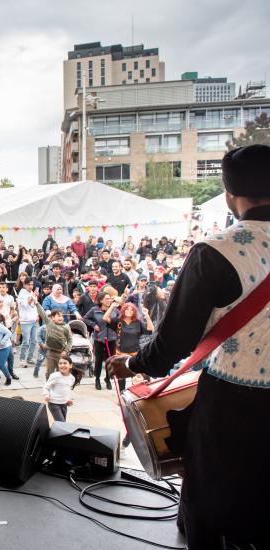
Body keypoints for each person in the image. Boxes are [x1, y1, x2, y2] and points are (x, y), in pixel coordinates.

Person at [107, 144, 270, 549]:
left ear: (230, 196)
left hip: (234, 404)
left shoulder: (216, 252)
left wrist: (132, 364)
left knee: (211, 499)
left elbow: (174, 341)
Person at [84, 292, 118, 390]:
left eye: (110, 298)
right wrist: (94, 325)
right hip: (99, 338)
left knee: (110, 360)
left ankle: (107, 378)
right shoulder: (94, 310)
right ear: (101, 300)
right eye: (107, 299)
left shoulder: (114, 310)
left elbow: (120, 319)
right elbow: (85, 318)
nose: (109, 300)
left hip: (112, 338)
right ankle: (97, 379)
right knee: (98, 360)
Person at [35, 299, 72, 380]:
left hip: (61, 354)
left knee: (61, 373)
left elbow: (70, 340)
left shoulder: (66, 327)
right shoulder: (49, 323)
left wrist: (66, 351)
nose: (61, 317)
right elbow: (42, 313)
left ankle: (60, 385)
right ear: (52, 317)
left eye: (62, 316)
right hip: (51, 353)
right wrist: (37, 303)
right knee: (49, 373)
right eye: (58, 316)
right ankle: (48, 385)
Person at [43, 354, 75, 422]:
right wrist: (46, 395)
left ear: (70, 365)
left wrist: (68, 400)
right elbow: (46, 387)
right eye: (60, 363)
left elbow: (67, 390)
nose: (62, 365)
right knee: (61, 422)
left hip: (64, 404)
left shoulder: (72, 378)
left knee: (62, 423)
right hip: (53, 403)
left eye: (65, 363)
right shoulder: (55, 376)